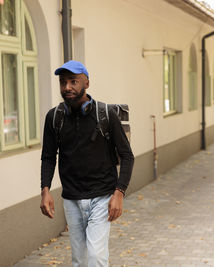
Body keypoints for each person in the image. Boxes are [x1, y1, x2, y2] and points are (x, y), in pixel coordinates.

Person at [40, 60, 134, 267]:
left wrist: (119, 193)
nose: (67, 87)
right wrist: (45, 189)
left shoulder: (105, 115)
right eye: (63, 82)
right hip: (72, 198)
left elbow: (127, 155)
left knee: (95, 256)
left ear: (87, 83)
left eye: (73, 81)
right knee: (79, 260)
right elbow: (48, 156)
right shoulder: (54, 117)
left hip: (101, 197)